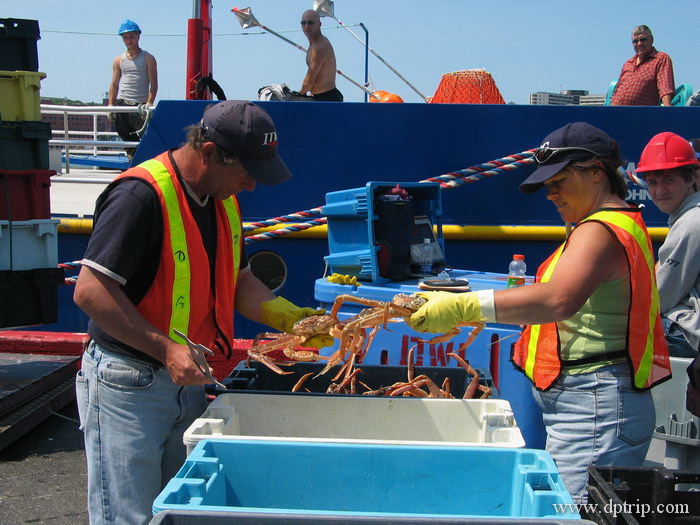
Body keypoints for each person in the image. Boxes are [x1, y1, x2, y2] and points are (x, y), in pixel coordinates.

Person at [73, 100, 331, 525]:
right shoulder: (140, 196)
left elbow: (238, 282)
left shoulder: (222, 198)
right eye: (245, 172)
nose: (250, 185)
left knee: (180, 511)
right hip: (129, 384)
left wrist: (292, 319)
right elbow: (90, 291)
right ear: (209, 152)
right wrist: (164, 349)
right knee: (128, 516)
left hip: (186, 376)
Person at [406, 122, 671, 503]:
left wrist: (465, 305)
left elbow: (558, 300)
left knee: (571, 512)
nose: (550, 194)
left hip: (593, 406)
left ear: (596, 172)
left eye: (559, 181)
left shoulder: (598, 230)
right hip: (593, 402)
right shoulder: (616, 223)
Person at [635, 132, 699, 358]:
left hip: (692, 334)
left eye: (669, 180)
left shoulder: (692, 223)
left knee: (617, 327)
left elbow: (659, 299)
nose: (660, 191)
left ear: (690, 178)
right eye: (653, 182)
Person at [108, 19, 158, 159]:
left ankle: (144, 159)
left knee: (145, 135)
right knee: (124, 133)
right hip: (123, 102)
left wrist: (149, 102)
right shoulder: (118, 60)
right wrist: (110, 105)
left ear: (138, 36)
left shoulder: (148, 58)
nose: (129, 40)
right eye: (126, 37)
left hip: (140, 105)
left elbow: (153, 83)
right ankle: (132, 158)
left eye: (132, 36)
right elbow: (114, 84)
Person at [610, 25, 675, 106]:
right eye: (635, 41)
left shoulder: (660, 59)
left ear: (651, 40)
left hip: (641, 115)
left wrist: (668, 110)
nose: (639, 43)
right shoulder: (628, 64)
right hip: (616, 114)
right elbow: (617, 91)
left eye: (643, 39)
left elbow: (665, 87)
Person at [298, 9, 343, 101]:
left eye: (310, 23)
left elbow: (309, 82)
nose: (306, 26)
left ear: (319, 25)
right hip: (323, 97)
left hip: (326, 99)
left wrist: (297, 96)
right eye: (303, 23)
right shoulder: (314, 44)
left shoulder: (319, 47)